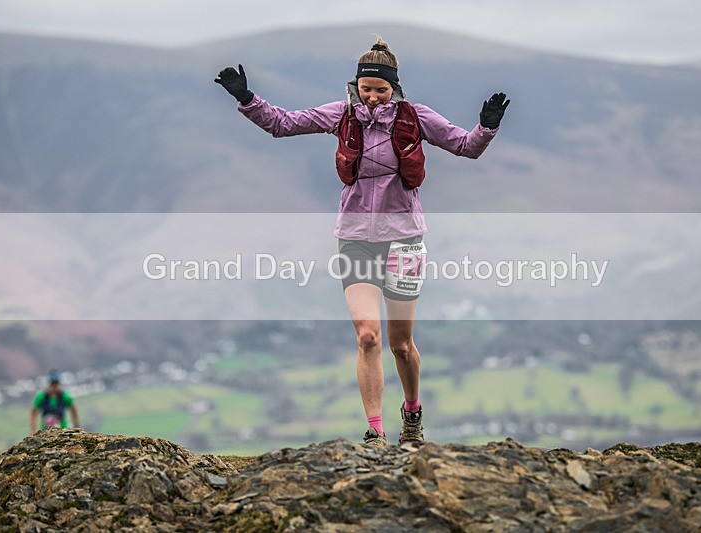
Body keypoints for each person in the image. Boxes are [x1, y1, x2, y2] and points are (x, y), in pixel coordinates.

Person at [215, 37, 509, 448]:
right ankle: (375, 431)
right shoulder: (342, 115)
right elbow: (283, 123)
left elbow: (465, 147)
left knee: (400, 344)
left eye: (380, 89)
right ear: (356, 86)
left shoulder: (415, 117)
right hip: (355, 239)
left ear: (395, 88)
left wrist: (487, 126)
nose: (372, 97)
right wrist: (247, 99)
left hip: (404, 239)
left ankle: (412, 414)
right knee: (367, 336)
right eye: (366, 88)